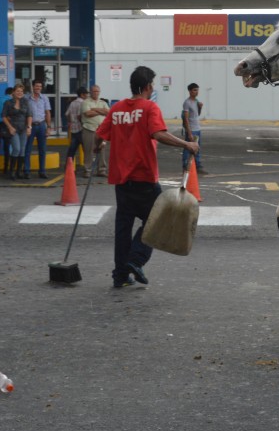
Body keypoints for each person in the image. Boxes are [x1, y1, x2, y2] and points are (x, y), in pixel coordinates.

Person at [94, 65, 199, 288]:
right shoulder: (149, 107)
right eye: (151, 84)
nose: (152, 88)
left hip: (122, 181)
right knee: (158, 220)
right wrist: (186, 144)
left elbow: (99, 135)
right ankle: (136, 259)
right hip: (145, 179)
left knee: (123, 228)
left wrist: (97, 147)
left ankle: (120, 275)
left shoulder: (117, 109)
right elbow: (158, 134)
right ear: (146, 86)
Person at [1, 83, 31, 180]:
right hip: (13, 129)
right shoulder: (8, 103)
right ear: (13, 92)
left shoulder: (26, 102)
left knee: (22, 150)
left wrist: (29, 127)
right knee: (16, 149)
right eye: (18, 91)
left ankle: (19, 172)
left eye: (21, 91)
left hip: (23, 128)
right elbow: (3, 116)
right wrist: (10, 127)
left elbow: (29, 115)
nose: (19, 93)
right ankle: (12, 171)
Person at [23, 79, 52, 180]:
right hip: (30, 126)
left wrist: (48, 127)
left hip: (41, 125)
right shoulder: (26, 98)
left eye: (40, 86)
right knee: (27, 149)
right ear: (32, 86)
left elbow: (47, 112)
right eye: (36, 86)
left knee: (42, 150)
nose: (38, 88)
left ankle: (42, 171)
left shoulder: (44, 98)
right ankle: (26, 171)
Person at [81, 84, 110, 177]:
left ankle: (101, 170)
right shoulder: (85, 102)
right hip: (89, 129)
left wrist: (95, 109)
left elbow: (108, 113)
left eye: (98, 91)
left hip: (101, 130)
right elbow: (88, 113)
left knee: (102, 149)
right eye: (94, 91)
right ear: (90, 92)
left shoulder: (103, 102)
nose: (96, 93)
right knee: (89, 150)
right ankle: (87, 170)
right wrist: (101, 111)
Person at [181, 82, 207, 175]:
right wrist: (189, 132)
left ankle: (198, 166)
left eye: (197, 90)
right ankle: (185, 166)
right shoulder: (187, 103)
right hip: (192, 129)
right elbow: (186, 119)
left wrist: (200, 108)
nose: (196, 92)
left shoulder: (196, 101)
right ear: (190, 91)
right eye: (194, 90)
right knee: (188, 148)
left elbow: (197, 115)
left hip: (197, 128)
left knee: (197, 148)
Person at [64, 86, 88, 172]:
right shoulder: (83, 103)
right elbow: (80, 116)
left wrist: (70, 122)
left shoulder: (72, 103)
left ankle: (68, 167)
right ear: (82, 94)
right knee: (87, 150)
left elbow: (67, 114)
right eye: (86, 94)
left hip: (73, 129)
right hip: (82, 129)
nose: (87, 96)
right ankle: (87, 168)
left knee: (72, 150)